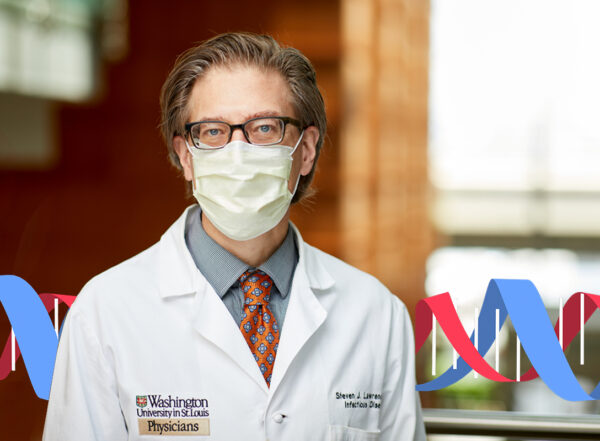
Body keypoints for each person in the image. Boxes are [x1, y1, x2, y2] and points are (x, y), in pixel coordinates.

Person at [43, 32, 426, 440]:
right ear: (186, 156)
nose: (238, 152)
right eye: (212, 132)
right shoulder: (105, 312)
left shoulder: (376, 315)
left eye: (264, 128)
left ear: (306, 148)